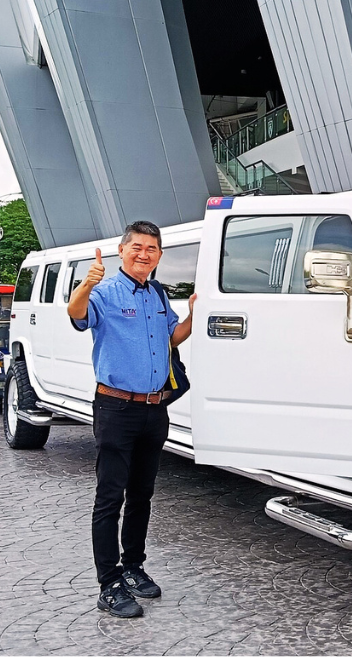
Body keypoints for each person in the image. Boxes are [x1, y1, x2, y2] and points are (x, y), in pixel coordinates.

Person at [66, 221, 196, 618]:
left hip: (155, 410)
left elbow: (170, 338)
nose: (144, 254)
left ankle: (134, 566)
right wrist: (86, 284)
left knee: (143, 493)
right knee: (110, 497)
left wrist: (194, 313)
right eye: (137, 247)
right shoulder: (103, 292)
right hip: (116, 408)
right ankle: (109, 583)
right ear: (123, 251)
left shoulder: (157, 293)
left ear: (159, 255)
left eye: (152, 248)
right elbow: (76, 315)